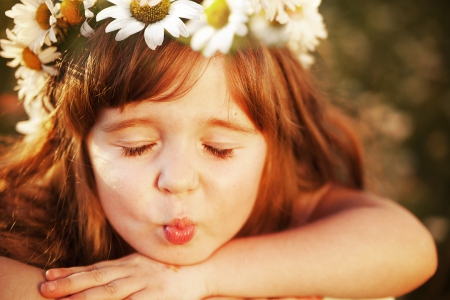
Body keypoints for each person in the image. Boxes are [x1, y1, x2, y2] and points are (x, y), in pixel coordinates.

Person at [0, 0, 437, 299]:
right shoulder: (24, 218)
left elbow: (412, 248)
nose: (178, 181)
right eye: (137, 146)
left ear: (273, 146)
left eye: (219, 148)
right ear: (76, 142)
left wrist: (197, 278)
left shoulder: (284, 205)